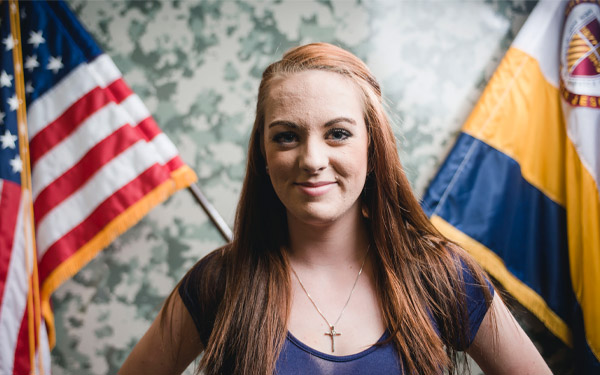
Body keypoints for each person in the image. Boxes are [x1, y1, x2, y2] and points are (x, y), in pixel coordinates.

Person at [120, 43, 551, 375]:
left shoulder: (441, 276)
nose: (311, 159)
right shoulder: (218, 283)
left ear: (372, 146)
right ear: (263, 155)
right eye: (286, 136)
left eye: (338, 133)